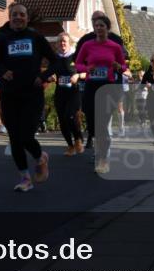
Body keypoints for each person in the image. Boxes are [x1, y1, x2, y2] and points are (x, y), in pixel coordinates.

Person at [0, 2, 57, 191]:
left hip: (32, 95)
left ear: (27, 18)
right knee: (14, 138)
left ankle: (40, 157)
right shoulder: (3, 39)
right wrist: (3, 72)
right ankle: (25, 179)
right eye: (15, 15)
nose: (18, 17)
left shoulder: (35, 37)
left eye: (22, 14)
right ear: (9, 17)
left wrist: (42, 77)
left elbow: (56, 62)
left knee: (26, 135)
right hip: (9, 95)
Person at [74, 14, 127, 173]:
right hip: (91, 87)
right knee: (92, 125)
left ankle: (103, 159)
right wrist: (86, 69)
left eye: (101, 25)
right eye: (96, 26)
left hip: (107, 88)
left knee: (103, 124)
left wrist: (119, 67)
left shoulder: (115, 47)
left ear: (107, 28)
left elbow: (124, 67)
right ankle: (102, 148)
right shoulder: (87, 45)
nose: (98, 28)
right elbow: (78, 63)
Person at [50, 32, 84, 155]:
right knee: (62, 120)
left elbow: (86, 72)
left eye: (64, 41)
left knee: (70, 116)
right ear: (57, 44)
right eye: (60, 41)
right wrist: (51, 77)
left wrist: (77, 75)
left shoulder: (76, 56)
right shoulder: (55, 58)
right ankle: (70, 146)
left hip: (73, 92)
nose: (62, 43)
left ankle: (78, 139)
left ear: (69, 43)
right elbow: (50, 72)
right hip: (60, 93)